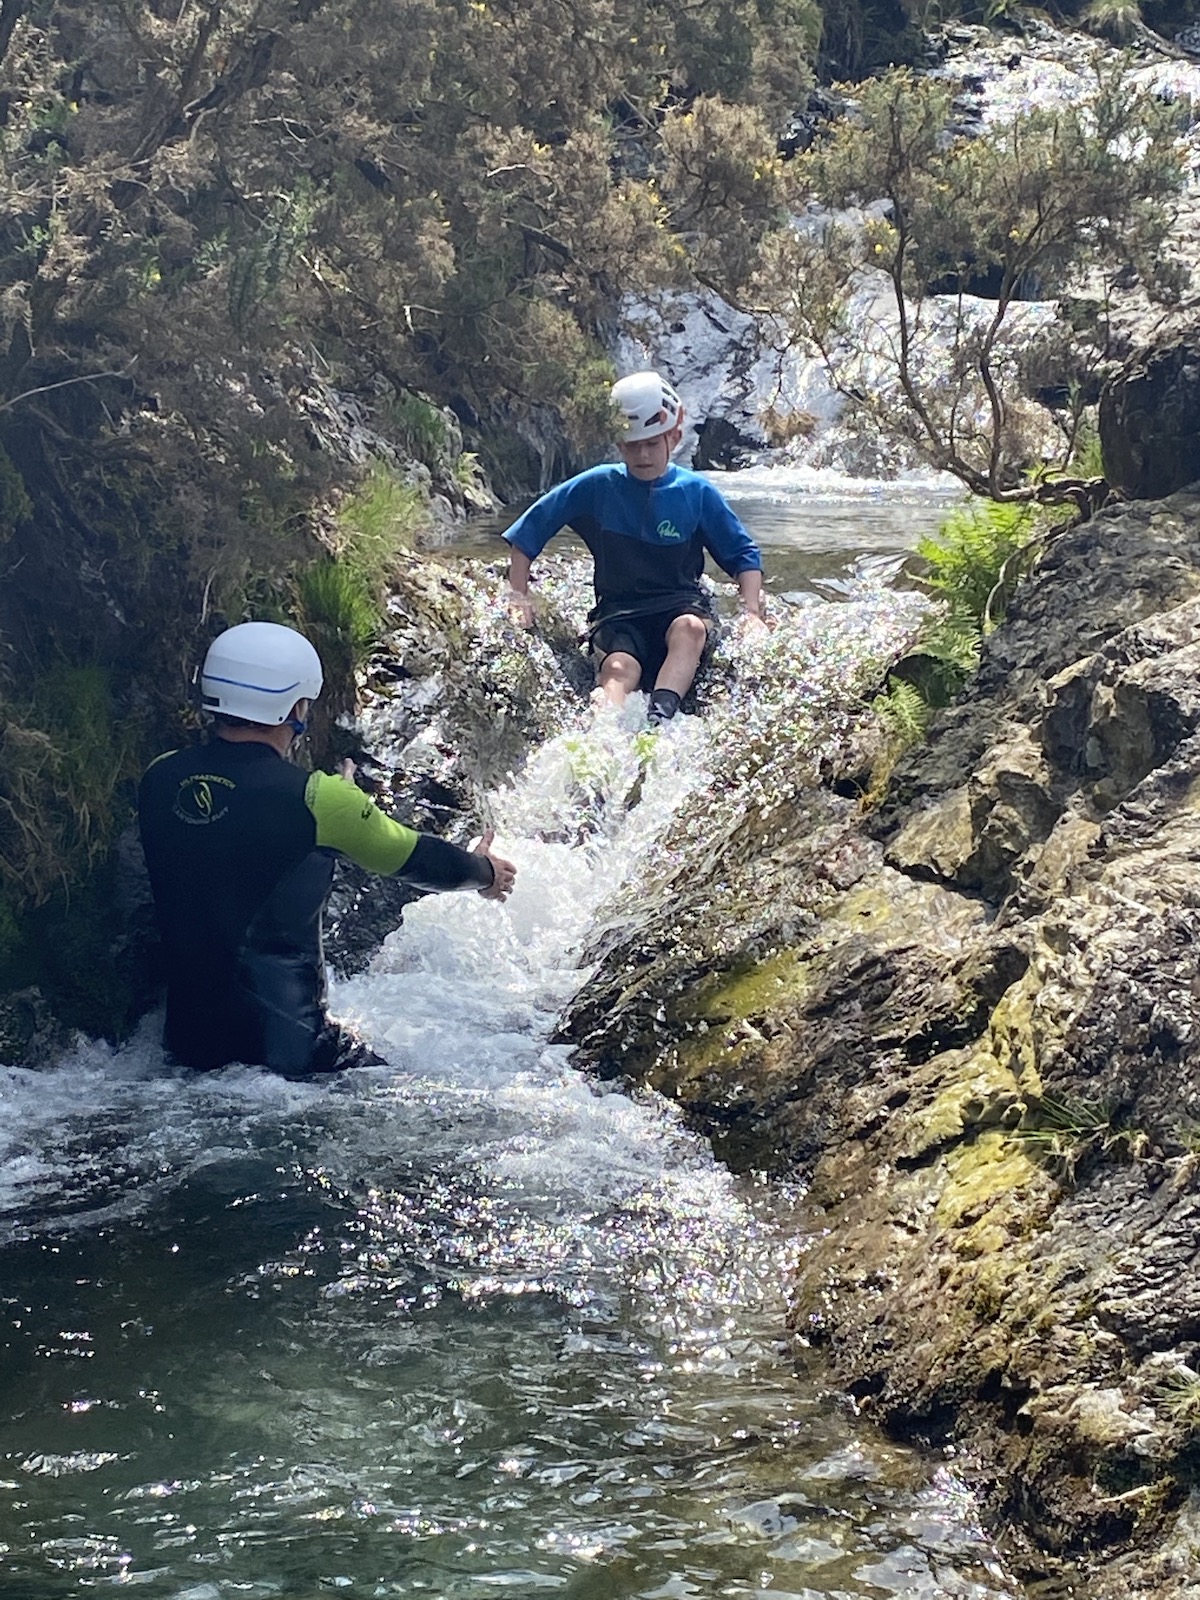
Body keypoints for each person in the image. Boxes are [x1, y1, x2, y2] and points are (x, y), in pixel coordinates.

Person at [138, 621, 516, 1079]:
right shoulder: (320, 800)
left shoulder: (159, 778)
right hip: (292, 1057)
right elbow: (418, 860)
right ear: (295, 707)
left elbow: (231, 837)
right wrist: (486, 872)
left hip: (185, 1050)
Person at [503, 370, 766, 725]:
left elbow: (743, 555)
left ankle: (660, 719)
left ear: (674, 437)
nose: (643, 454)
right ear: (619, 445)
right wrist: (518, 595)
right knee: (618, 666)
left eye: (653, 443)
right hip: (619, 614)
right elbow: (529, 531)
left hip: (679, 608)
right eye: (632, 445)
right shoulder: (597, 486)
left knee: (690, 629)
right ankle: (599, 733)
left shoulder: (696, 493)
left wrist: (752, 612)